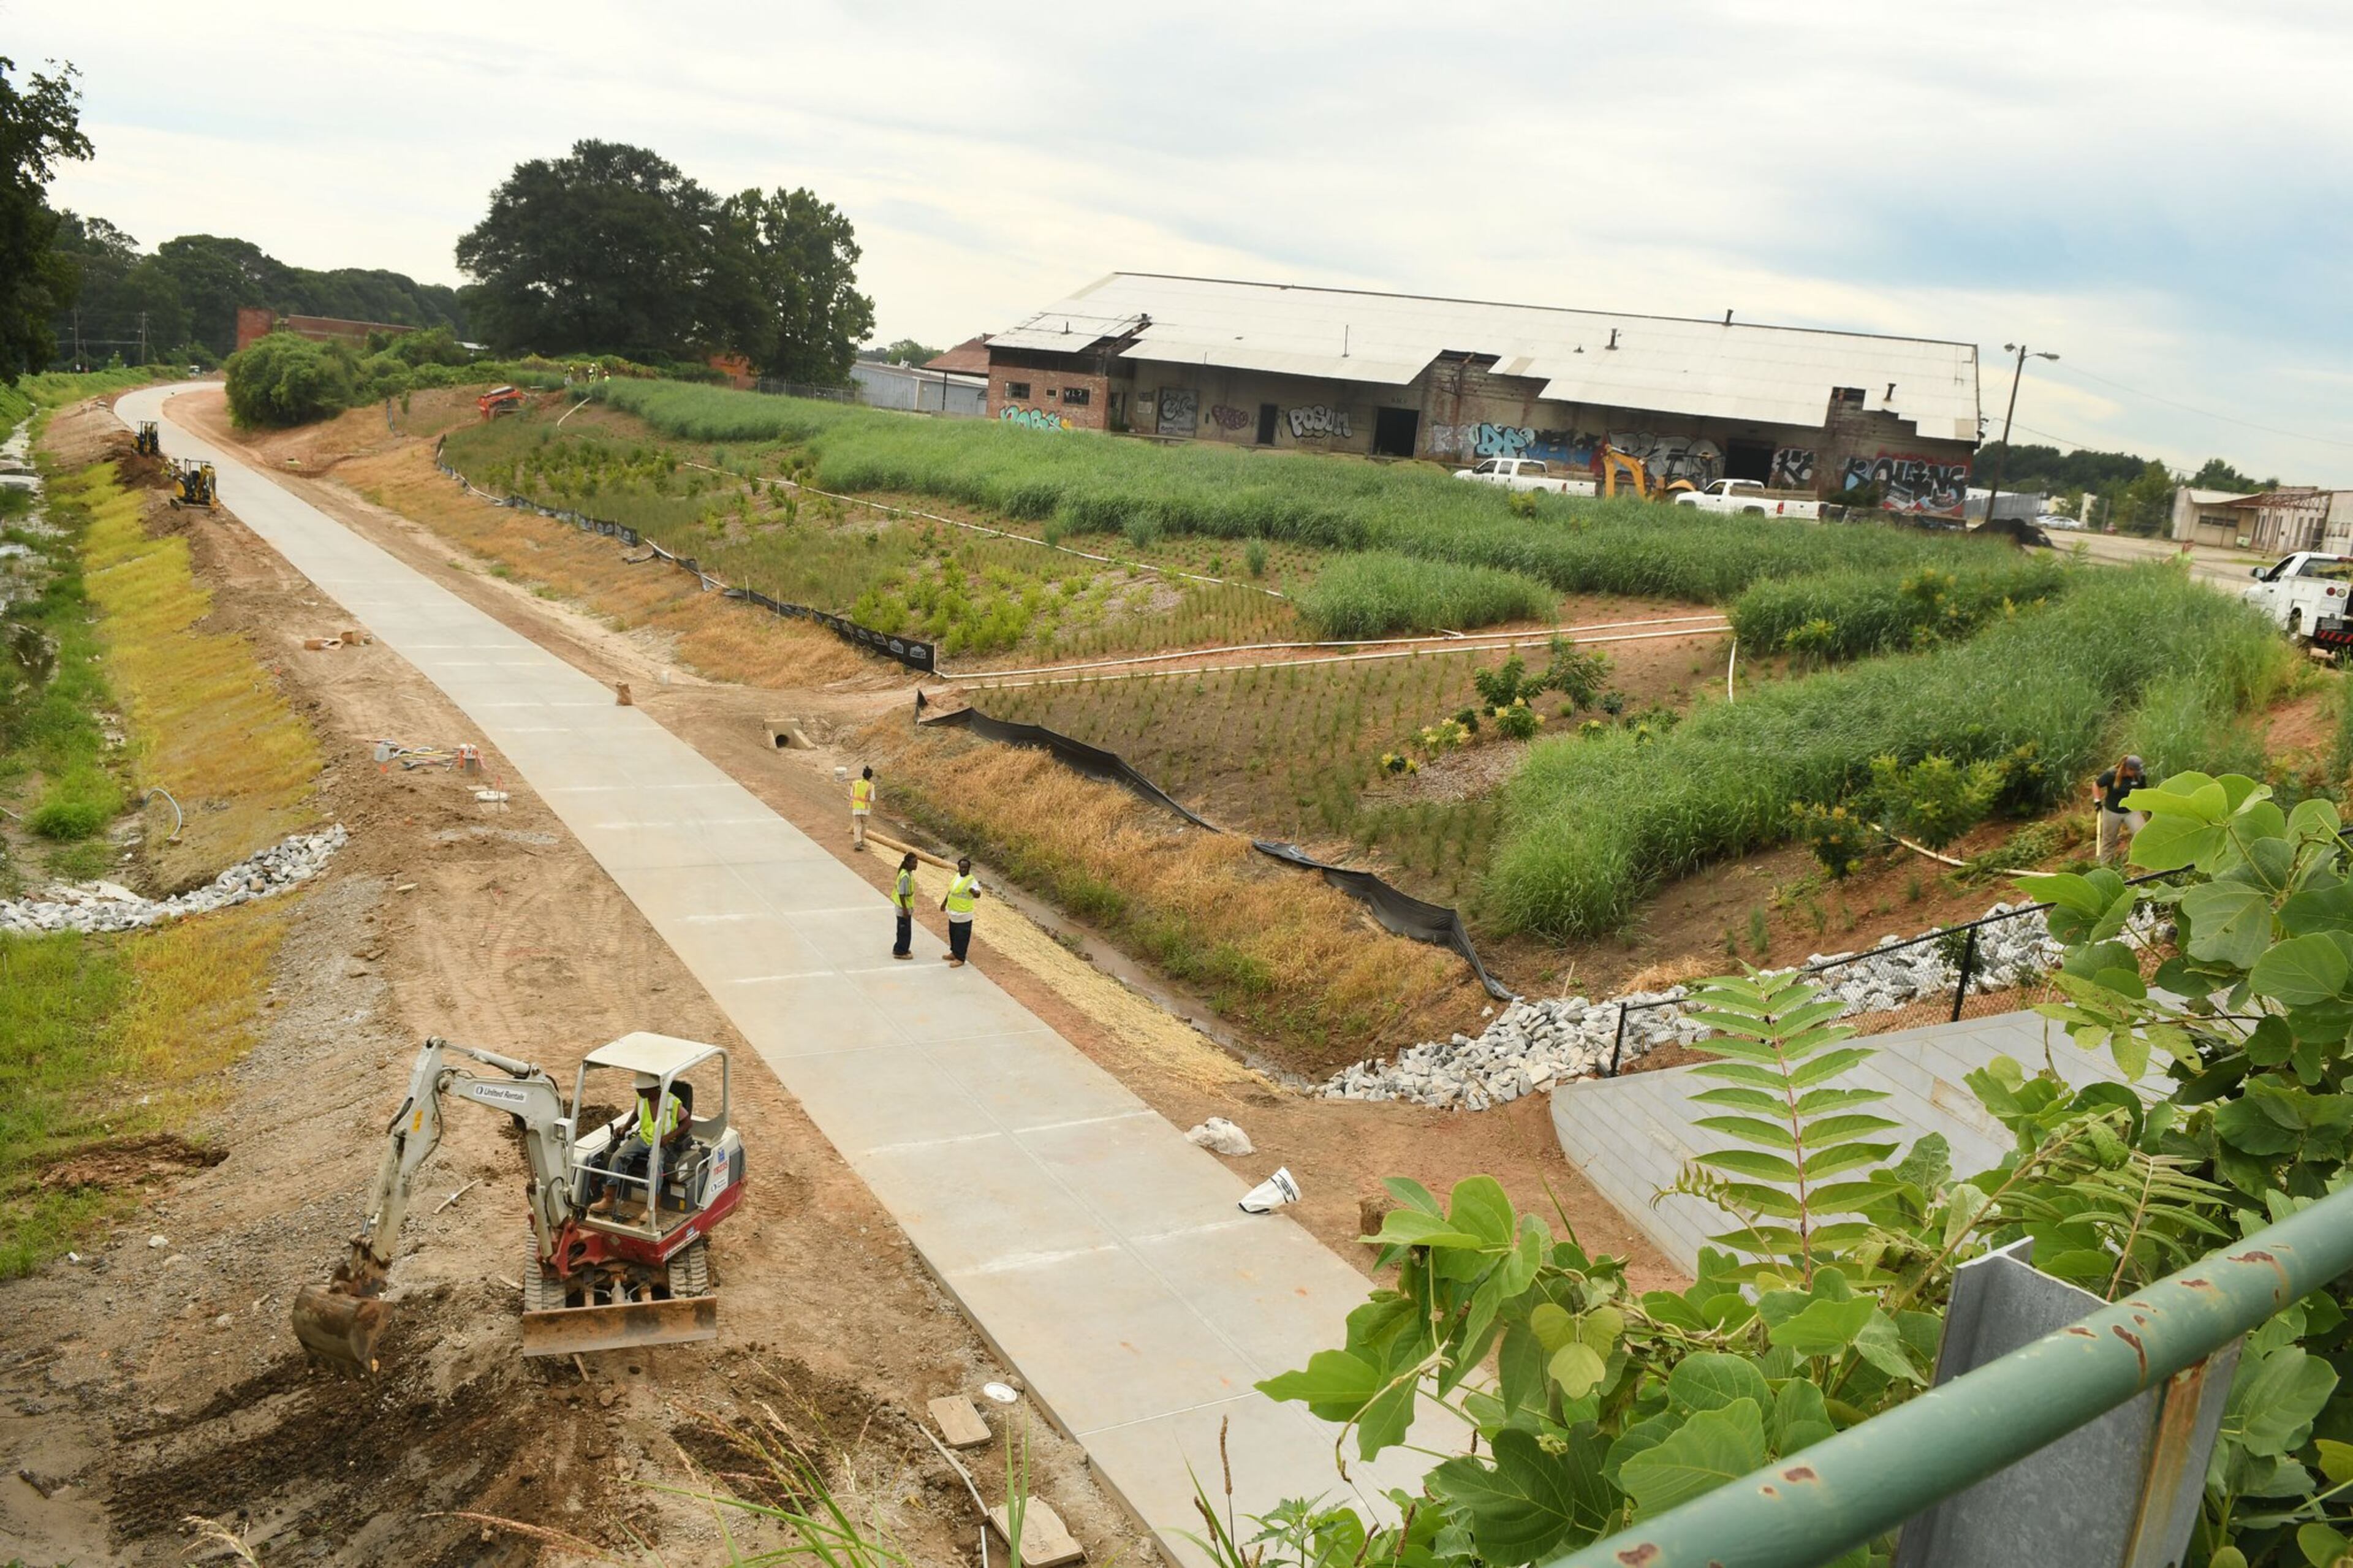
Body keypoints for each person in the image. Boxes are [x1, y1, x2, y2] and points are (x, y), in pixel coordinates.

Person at [592, 1074, 686, 1214]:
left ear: (652, 1089)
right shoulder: (642, 1099)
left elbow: (687, 1123)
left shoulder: (673, 1102)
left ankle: (652, 1208)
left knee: (654, 1165)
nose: (637, 1091)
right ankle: (609, 1199)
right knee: (617, 1157)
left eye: (640, 1089)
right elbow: (636, 1114)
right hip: (645, 1137)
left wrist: (669, 1137)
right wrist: (625, 1128)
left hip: (663, 1142)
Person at [2093, 754, 2148, 864]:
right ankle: (2105, 866)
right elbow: (2096, 785)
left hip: (2131, 810)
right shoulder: (2112, 774)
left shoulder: (2139, 776)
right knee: (2109, 840)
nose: (2137, 773)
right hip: (2112, 811)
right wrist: (2097, 801)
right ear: (2128, 768)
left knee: (2142, 835)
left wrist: (2148, 807)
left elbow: (2143, 791)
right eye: (2135, 771)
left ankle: (2144, 861)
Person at [941, 856, 979, 967]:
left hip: (964, 914)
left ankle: (960, 958)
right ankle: (954, 952)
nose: (963, 869)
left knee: (962, 937)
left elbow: (978, 894)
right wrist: (944, 902)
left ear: (969, 868)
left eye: (965, 868)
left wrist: (974, 892)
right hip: (953, 913)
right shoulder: (957, 876)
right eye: (961, 867)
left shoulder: (972, 881)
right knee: (953, 934)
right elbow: (951, 891)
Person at [892, 851, 919, 960]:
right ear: (907, 863)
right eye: (914, 863)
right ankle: (901, 952)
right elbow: (902, 895)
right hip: (903, 907)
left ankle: (899, 947)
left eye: (917, 863)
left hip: (906, 906)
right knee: (904, 930)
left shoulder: (907, 873)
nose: (916, 865)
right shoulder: (905, 877)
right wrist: (905, 910)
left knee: (903, 929)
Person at [849, 765, 875, 851]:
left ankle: (857, 842)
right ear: (870, 777)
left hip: (856, 808)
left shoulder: (855, 783)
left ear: (863, 775)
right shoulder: (871, 786)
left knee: (857, 825)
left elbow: (851, 795)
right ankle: (862, 841)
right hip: (865, 809)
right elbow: (872, 799)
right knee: (864, 825)